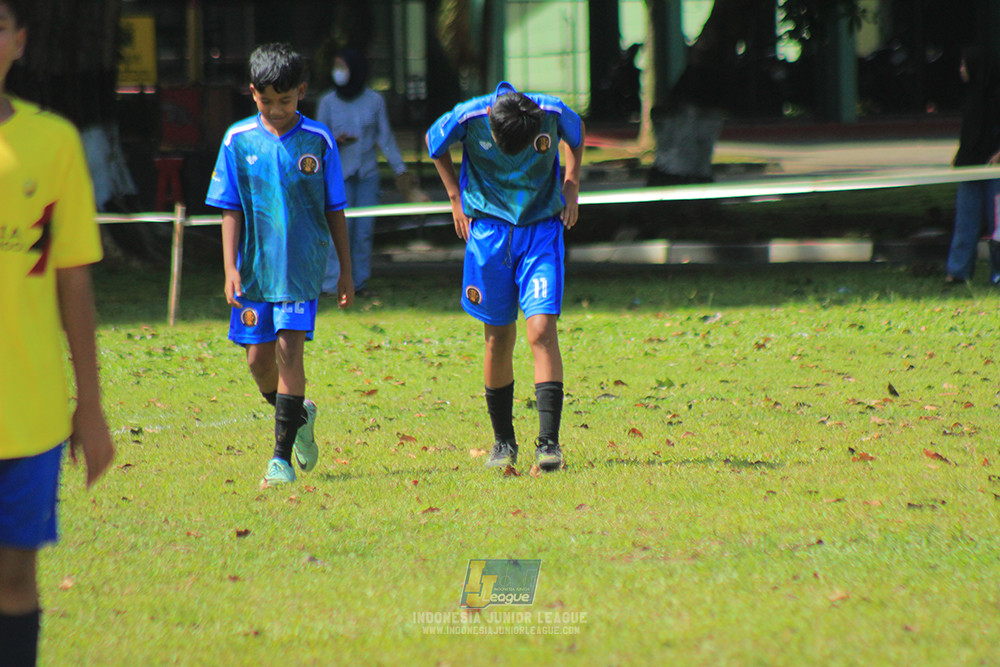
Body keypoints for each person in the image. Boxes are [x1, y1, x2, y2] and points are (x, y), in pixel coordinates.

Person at [0, 1, 115, 664]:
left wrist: (91, 406)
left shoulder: (55, 143)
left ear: (19, 41)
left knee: (14, 577)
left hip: (30, 414)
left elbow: (74, 282)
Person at [206, 42, 354, 488]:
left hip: (300, 270)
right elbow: (229, 208)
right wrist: (230, 268)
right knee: (258, 362)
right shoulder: (237, 140)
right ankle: (298, 415)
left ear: (301, 93)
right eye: (266, 100)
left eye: (285, 101)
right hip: (253, 272)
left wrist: (345, 270)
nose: (275, 109)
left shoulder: (318, 140)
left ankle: (280, 460)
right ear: (252, 93)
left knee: (290, 352)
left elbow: (335, 209)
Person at [426, 81, 584, 472]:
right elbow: (434, 145)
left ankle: (549, 444)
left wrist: (572, 185)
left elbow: (577, 138)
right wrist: (454, 198)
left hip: (541, 230)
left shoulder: (551, 111)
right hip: (489, 235)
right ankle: (503, 443)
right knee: (498, 337)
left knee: (541, 330)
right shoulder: (469, 115)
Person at [317, 47, 428, 298]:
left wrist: (401, 170)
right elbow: (316, 140)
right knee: (338, 231)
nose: (339, 72)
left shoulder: (374, 100)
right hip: (339, 176)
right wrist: (335, 140)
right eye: (336, 66)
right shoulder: (327, 102)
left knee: (363, 232)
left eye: (343, 66)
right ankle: (331, 285)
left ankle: (358, 283)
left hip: (367, 174)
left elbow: (385, 137)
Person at [945, 46, 1000, 285]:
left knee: (998, 226)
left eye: (963, 65)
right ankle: (958, 272)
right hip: (970, 168)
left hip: (995, 170)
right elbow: (969, 135)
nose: (960, 70)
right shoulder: (972, 97)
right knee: (965, 222)